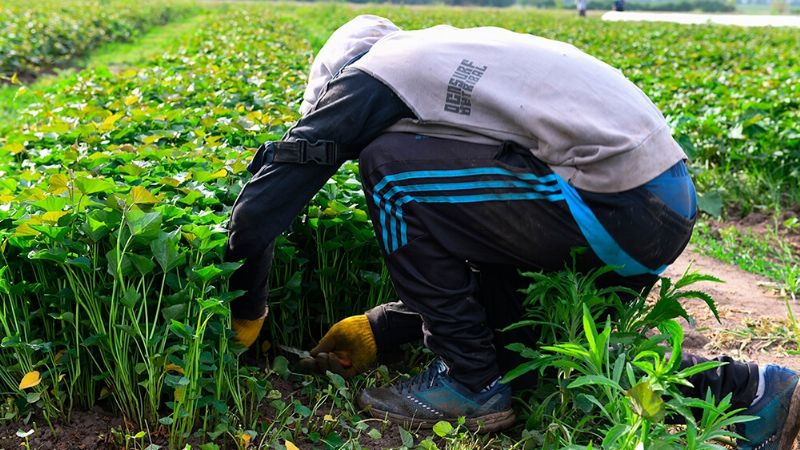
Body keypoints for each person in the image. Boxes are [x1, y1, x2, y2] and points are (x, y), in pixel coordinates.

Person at [225, 15, 800, 447]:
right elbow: (484, 218)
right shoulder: (452, 56)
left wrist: (246, 319)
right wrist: (382, 329)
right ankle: (754, 391)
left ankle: (468, 382)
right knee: (549, 356)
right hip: (656, 205)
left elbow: (258, 212)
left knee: (389, 168)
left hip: (611, 201)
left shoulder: (374, 73)